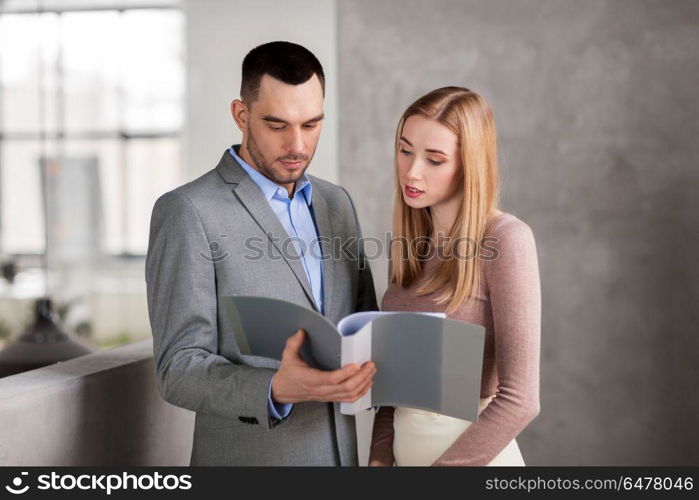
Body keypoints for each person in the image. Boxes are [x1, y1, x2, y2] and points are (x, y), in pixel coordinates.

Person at [145, 41, 377, 466]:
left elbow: (361, 328)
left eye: (311, 125)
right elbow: (177, 369)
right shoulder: (187, 211)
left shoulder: (336, 203)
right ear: (241, 115)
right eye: (277, 125)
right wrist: (274, 388)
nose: (297, 145)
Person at [368, 87, 541, 466]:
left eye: (434, 159)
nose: (412, 172)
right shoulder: (412, 244)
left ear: (469, 165)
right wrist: (378, 461)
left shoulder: (506, 239)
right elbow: (394, 387)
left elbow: (521, 400)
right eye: (405, 150)